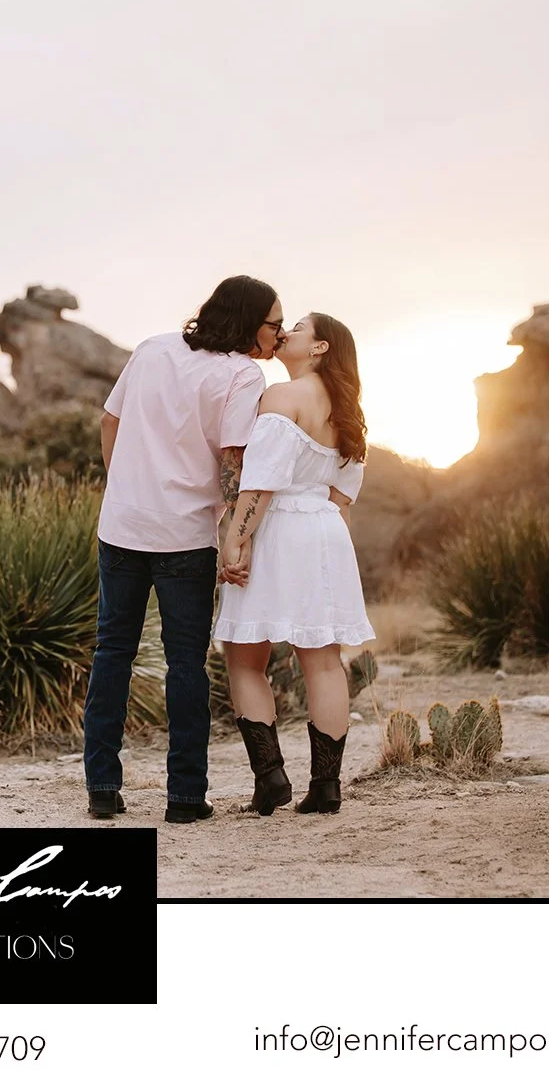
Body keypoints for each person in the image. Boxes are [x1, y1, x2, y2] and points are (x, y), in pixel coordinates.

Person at [84, 275, 284, 824]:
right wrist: (235, 534)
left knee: (112, 654)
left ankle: (102, 787)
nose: (280, 335)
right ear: (249, 322)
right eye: (274, 324)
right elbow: (234, 459)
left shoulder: (152, 348)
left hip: (122, 524)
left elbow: (109, 421)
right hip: (185, 537)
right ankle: (186, 798)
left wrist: (123, 486)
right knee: (185, 665)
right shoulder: (243, 373)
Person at [214, 312, 374, 816]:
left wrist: (235, 541)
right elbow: (341, 495)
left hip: (279, 527)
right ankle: (326, 787)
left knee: (244, 656)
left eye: (298, 327)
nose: (286, 333)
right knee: (324, 661)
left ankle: (271, 780)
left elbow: (261, 482)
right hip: (325, 530)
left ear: (320, 347)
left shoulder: (283, 397)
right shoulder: (349, 412)